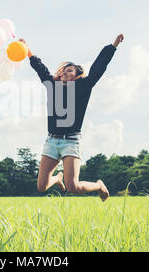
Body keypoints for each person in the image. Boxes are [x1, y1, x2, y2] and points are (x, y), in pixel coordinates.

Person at [19, 34, 124, 201]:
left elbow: (98, 67)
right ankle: (57, 178)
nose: (65, 73)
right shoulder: (52, 86)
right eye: (63, 71)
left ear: (76, 76)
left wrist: (113, 46)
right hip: (51, 141)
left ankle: (99, 185)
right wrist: (27, 51)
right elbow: (40, 68)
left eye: (70, 70)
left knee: (73, 187)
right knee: (41, 187)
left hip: (71, 141)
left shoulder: (83, 87)